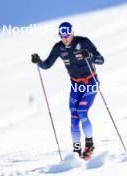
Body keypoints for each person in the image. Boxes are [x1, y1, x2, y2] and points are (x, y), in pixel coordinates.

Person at [31, 22, 104, 159]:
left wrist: (90, 56)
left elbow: (101, 60)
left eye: (67, 35)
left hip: (90, 82)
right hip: (76, 85)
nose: (64, 38)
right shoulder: (59, 48)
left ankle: (89, 145)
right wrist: (38, 61)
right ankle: (76, 150)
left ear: (72, 33)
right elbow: (46, 65)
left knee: (82, 112)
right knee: (74, 117)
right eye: (62, 35)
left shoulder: (83, 42)